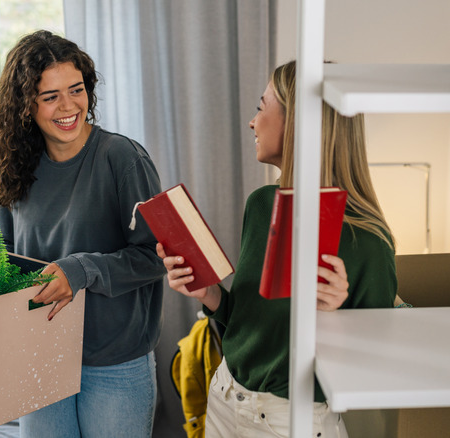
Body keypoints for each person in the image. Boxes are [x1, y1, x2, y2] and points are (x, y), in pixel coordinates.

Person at [0, 30, 165, 438]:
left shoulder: (122, 158)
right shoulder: (18, 168)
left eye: (76, 90)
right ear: (26, 105)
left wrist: (80, 270)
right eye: (50, 97)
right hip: (38, 351)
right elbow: (13, 260)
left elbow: (156, 255)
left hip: (114, 361)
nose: (68, 106)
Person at [157, 60, 397, 438]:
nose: (252, 122)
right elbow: (247, 322)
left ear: (299, 123)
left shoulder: (367, 243)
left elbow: (373, 368)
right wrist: (210, 293)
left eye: (261, 107)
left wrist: (335, 318)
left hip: (290, 422)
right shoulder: (262, 204)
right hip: (223, 397)